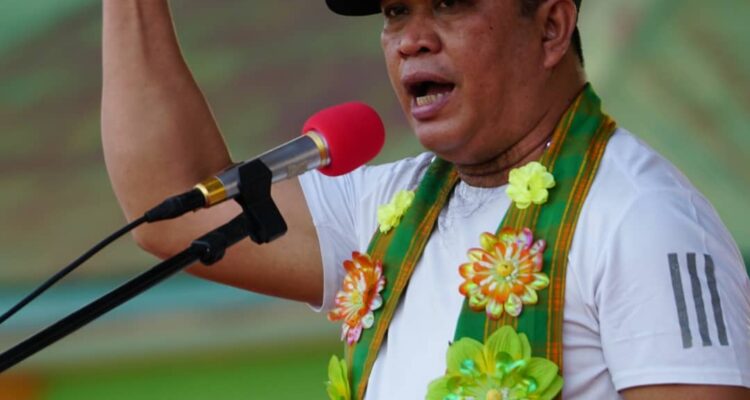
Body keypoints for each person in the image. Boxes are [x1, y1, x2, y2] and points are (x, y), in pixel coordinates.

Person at [101, 0, 750, 399]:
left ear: (552, 28)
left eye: (448, 3)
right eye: (394, 12)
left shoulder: (644, 219)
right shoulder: (390, 203)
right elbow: (173, 209)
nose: (412, 38)